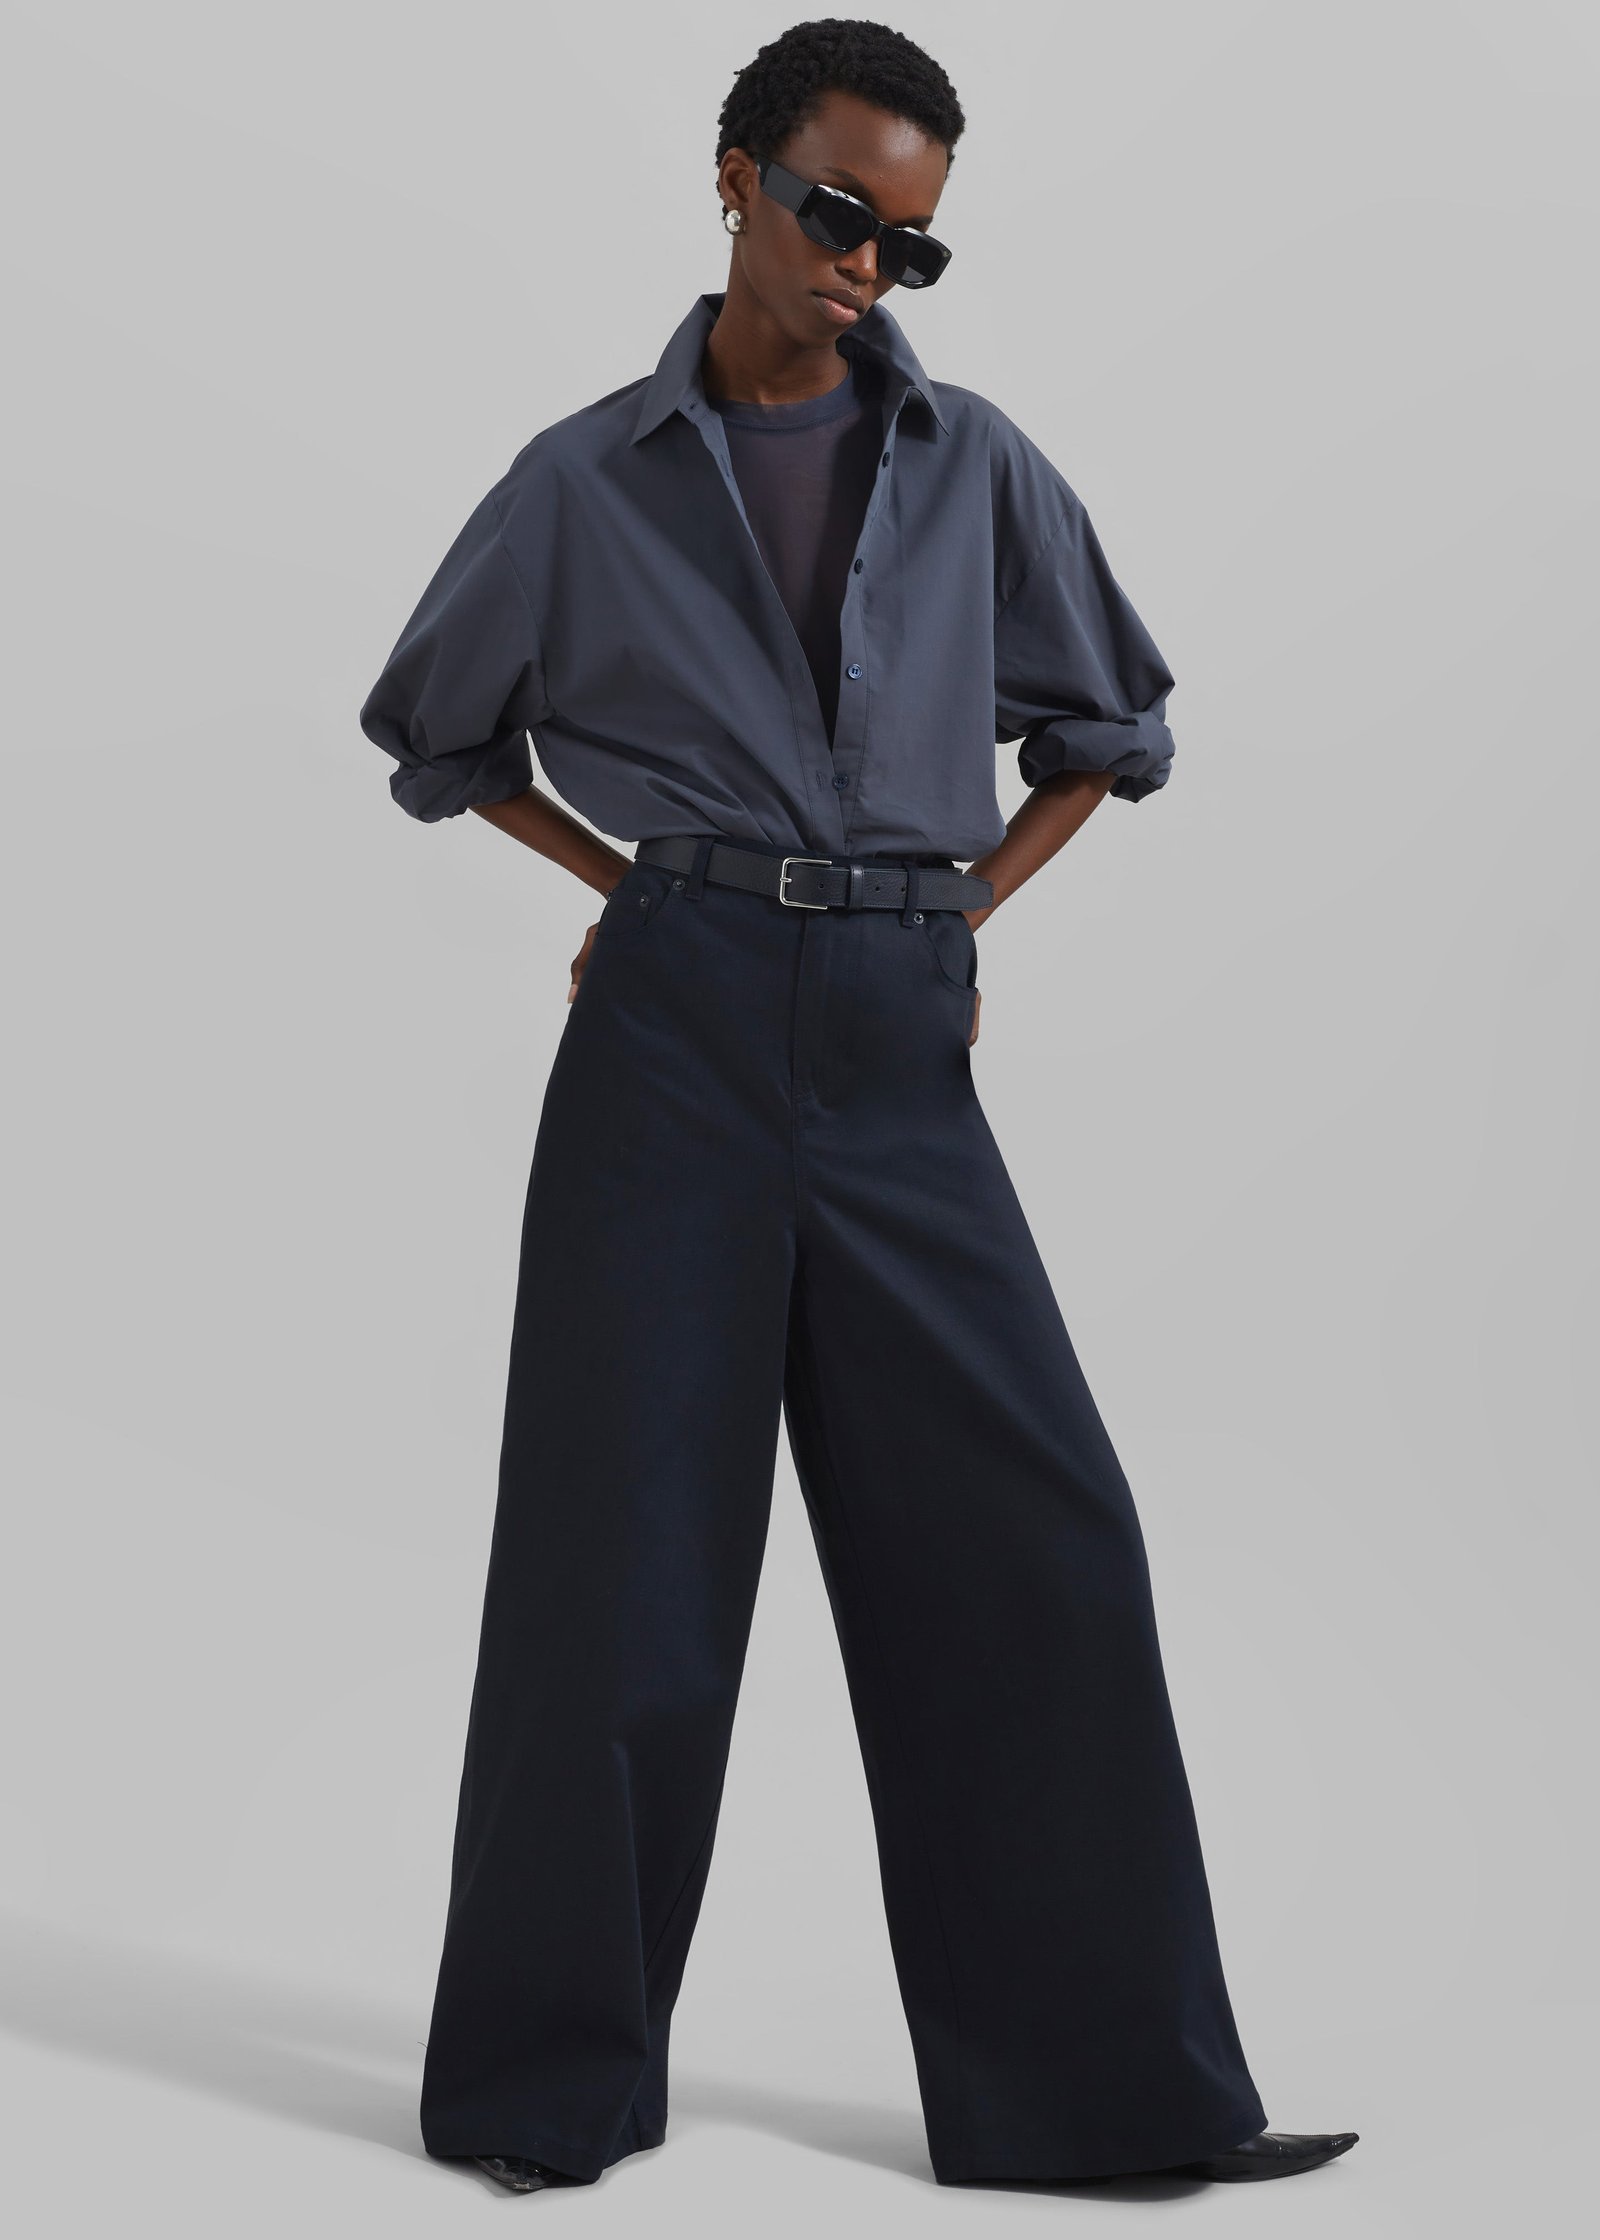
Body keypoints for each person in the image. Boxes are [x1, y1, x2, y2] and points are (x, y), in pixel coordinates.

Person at [357, 17, 1357, 2199]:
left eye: (910, 244)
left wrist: (959, 915)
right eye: (837, 214)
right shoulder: (581, 482)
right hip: (677, 1028)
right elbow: (438, 739)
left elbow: (1108, 733)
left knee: (1038, 1550)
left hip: (899, 1032)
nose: (865, 267)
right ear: (735, 176)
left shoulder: (975, 463)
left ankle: (1108, 2104)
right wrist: (634, 893)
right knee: (618, 1571)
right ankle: (540, 2097)